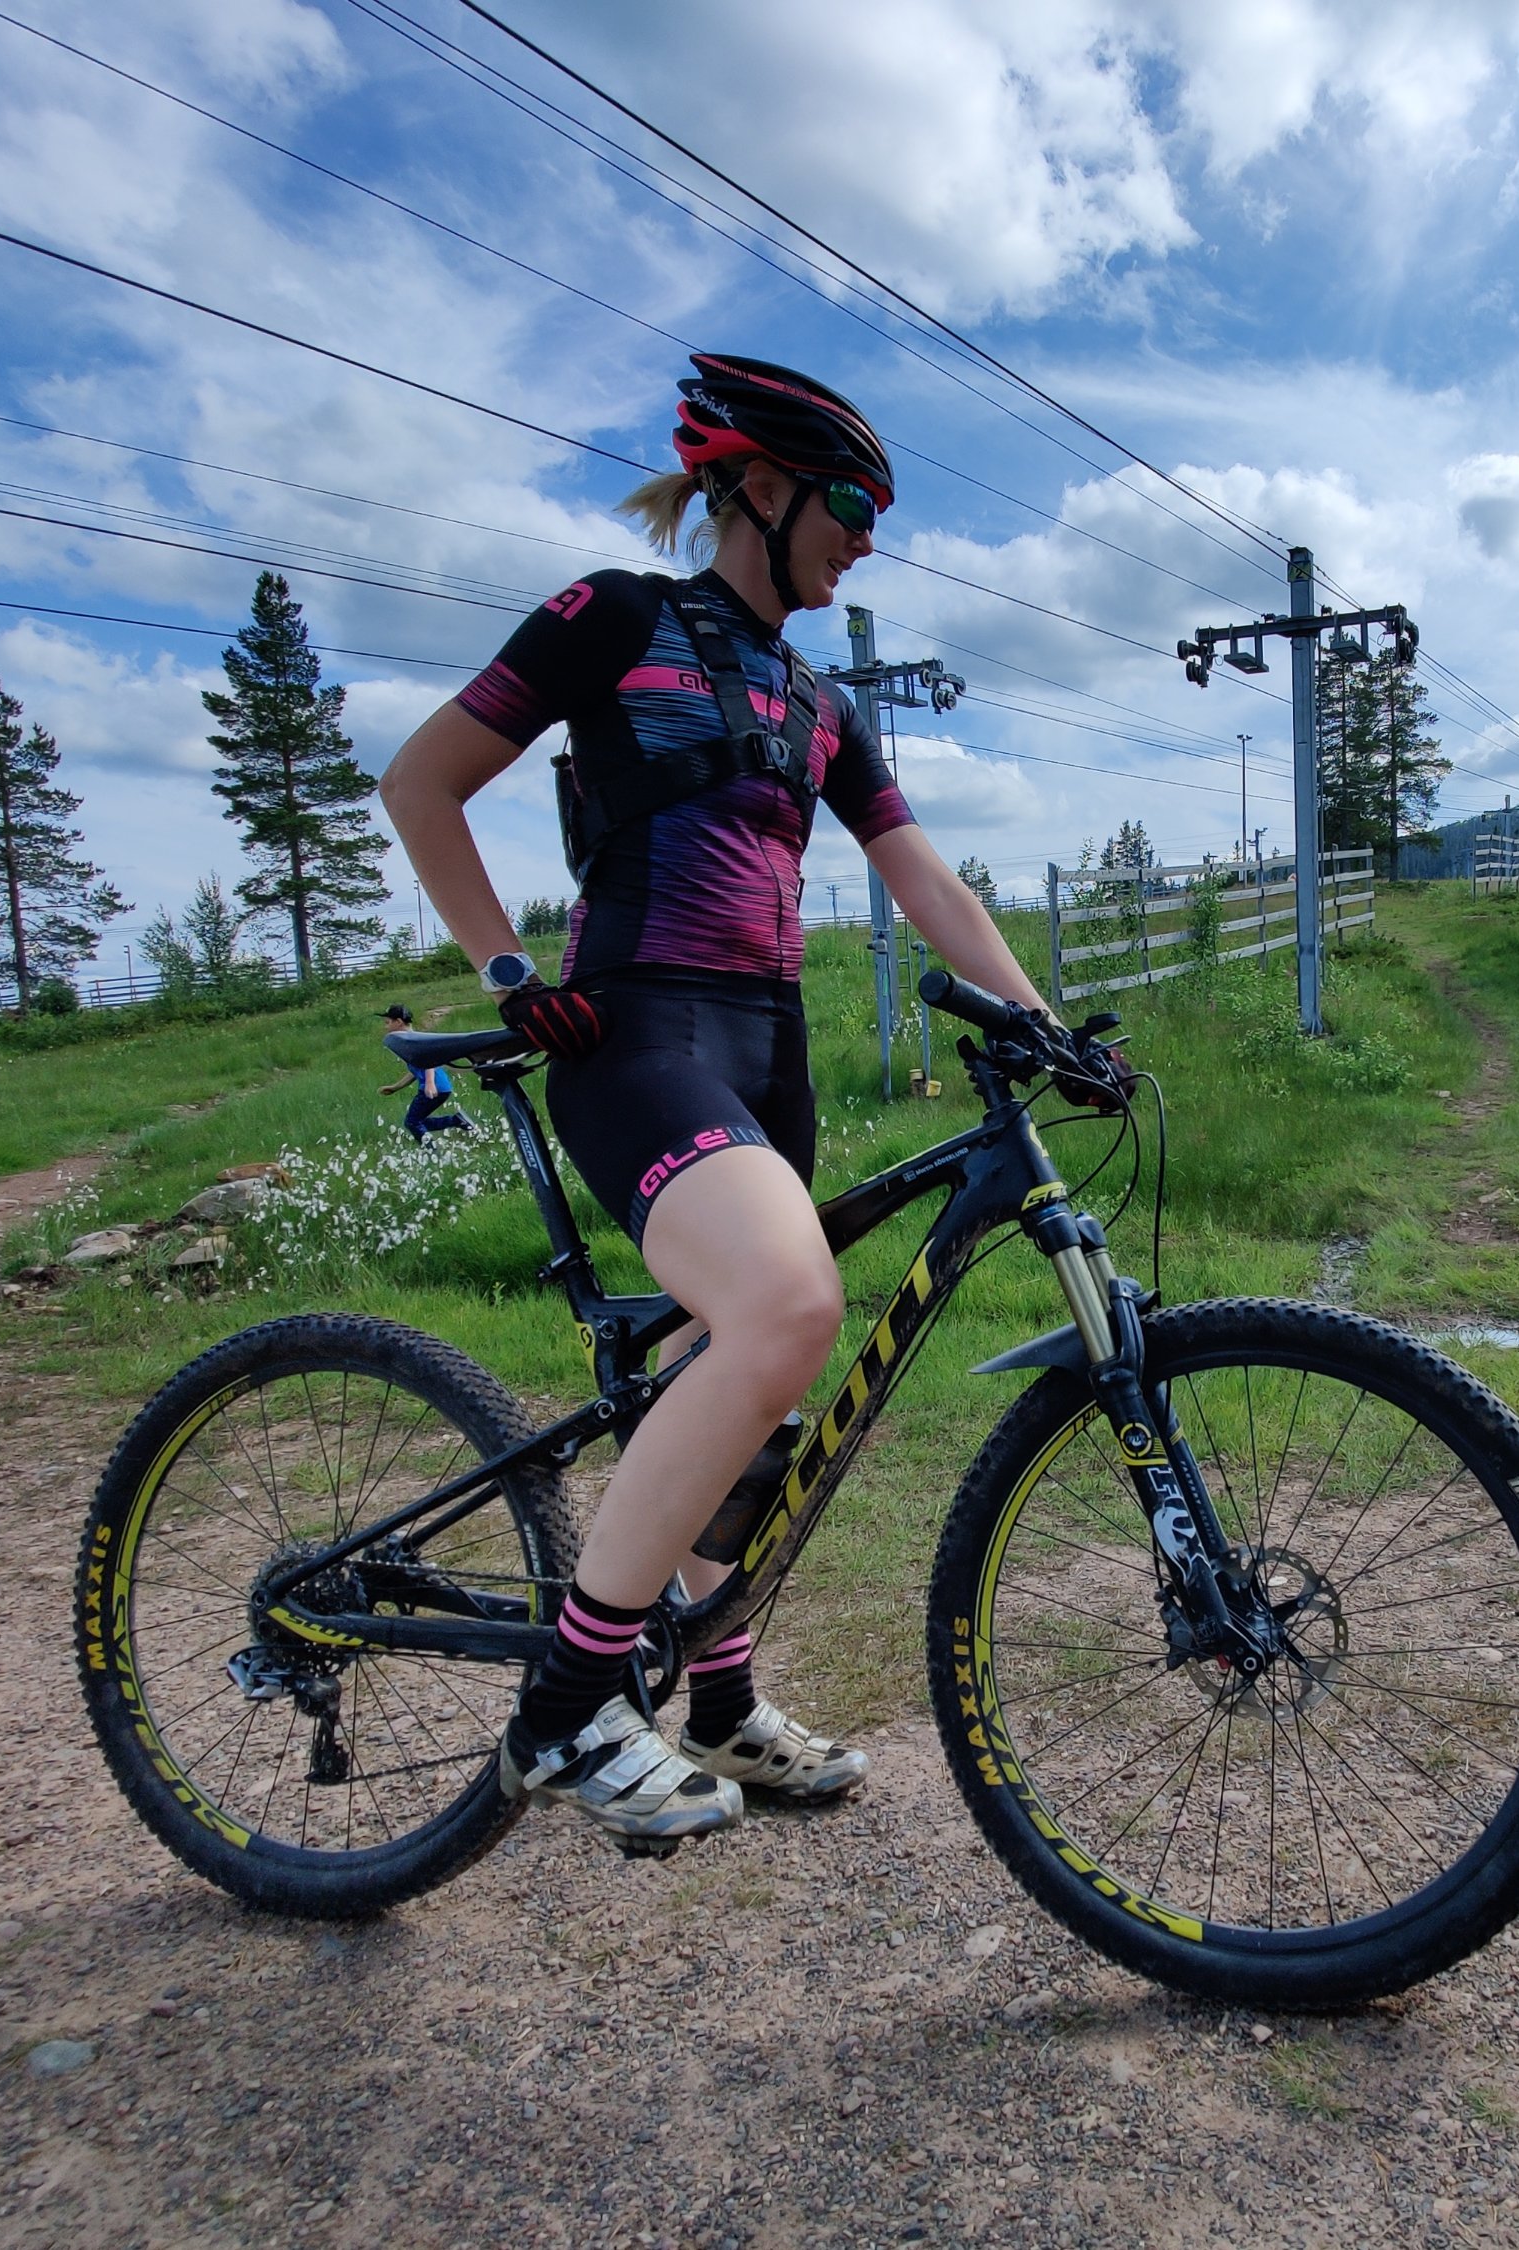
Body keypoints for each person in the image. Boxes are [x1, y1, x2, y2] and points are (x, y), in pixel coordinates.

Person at [378, 353, 1068, 1847]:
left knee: (745, 1380)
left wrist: (1044, 1023)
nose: (867, 540)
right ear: (757, 487)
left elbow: (924, 878)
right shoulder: (614, 617)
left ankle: (719, 1696)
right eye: (852, 508)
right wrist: (507, 971)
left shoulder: (818, 700)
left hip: (768, 1046)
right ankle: (567, 1710)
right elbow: (423, 781)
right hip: (633, 1033)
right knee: (785, 1308)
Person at [377, 1004, 473, 1139]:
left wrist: (430, 1083)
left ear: (398, 1022)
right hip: (442, 1087)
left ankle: (432, 1147)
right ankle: (457, 1121)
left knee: (412, 1122)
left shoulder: (413, 1040)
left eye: (387, 1023)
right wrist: (395, 1087)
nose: (385, 1027)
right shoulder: (409, 1040)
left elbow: (429, 1058)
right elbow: (416, 1070)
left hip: (434, 1087)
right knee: (415, 1121)